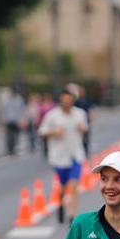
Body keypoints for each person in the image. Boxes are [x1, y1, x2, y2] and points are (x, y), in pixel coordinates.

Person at [38, 88, 89, 223]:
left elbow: (86, 128)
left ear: (72, 101)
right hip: (59, 157)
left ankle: (72, 216)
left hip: (76, 155)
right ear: (60, 101)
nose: (67, 103)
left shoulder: (80, 114)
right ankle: (61, 204)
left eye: (69, 101)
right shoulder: (52, 115)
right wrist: (54, 132)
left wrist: (82, 128)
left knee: (73, 186)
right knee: (62, 187)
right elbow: (41, 131)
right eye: (64, 101)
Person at [2, 90, 27, 156]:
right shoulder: (9, 100)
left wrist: (22, 120)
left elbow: (22, 110)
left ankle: (14, 149)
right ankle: (10, 149)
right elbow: (4, 110)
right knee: (10, 136)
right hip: (10, 120)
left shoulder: (19, 100)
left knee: (16, 136)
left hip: (16, 121)